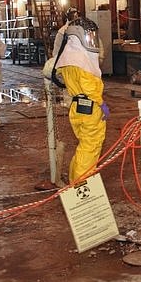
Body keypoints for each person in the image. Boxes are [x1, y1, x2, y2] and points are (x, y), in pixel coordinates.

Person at [54, 17, 110, 183]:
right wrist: (102, 104)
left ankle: (74, 181)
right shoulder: (81, 61)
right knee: (90, 147)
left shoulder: (68, 59)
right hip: (90, 108)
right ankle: (81, 185)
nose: (91, 41)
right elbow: (89, 87)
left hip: (77, 107)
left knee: (83, 146)